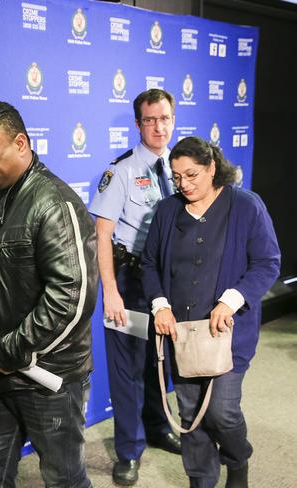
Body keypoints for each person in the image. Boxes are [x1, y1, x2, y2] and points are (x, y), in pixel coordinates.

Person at [0, 101, 98, 488]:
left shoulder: (54, 202)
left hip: (48, 377)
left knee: (63, 479)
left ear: (20, 144)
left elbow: (71, 297)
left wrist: (12, 351)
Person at [141, 136, 280, 488]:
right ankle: (201, 479)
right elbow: (149, 264)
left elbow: (267, 263)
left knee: (221, 411)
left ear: (213, 168)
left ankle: (237, 460)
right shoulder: (168, 210)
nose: (184, 185)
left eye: (192, 175)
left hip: (228, 336)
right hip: (182, 334)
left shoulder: (246, 205)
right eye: (177, 177)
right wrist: (160, 304)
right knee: (191, 414)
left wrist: (231, 299)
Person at [88, 88, 182, 485]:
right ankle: (129, 450)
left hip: (168, 280)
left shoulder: (182, 168)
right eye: (149, 119)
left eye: (164, 118)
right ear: (138, 123)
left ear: (173, 120)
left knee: (160, 363)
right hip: (129, 280)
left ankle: (159, 427)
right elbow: (102, 234)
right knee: (127, 368)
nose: (158, 127)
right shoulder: (121, 170)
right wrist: (110, 291)